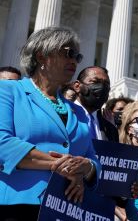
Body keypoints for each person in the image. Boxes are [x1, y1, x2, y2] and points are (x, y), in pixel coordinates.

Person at [0, 27, 100, 220]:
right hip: (17, 207)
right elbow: (2, 144)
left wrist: (86, 167)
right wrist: (60, 165)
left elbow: (92, 159)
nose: (74, 60)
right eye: (68, 53)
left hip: (67, 209)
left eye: (77, 57)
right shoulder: (8, 91)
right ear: (42, 56)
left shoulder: (78, 111)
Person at [72, 66, 115, 141]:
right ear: (77, 86)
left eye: (106, 84)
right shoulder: (63, 115)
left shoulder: (110, 129)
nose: (102, 87)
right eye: (95, 82)